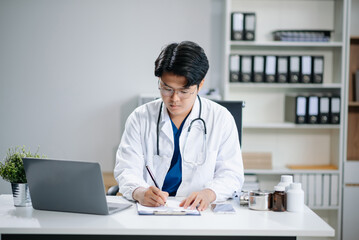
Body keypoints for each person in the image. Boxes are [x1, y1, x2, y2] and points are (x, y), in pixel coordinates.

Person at [114, 41, 244, 211]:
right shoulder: (140, 118)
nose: (174, 99)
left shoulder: (221, 118)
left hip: (200, 212)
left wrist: (209, 193)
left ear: (200, 85)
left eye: (183, 91)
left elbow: (231, 175)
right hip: (150, 212)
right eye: (166, 89)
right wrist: (140, 192)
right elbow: (126, 170)